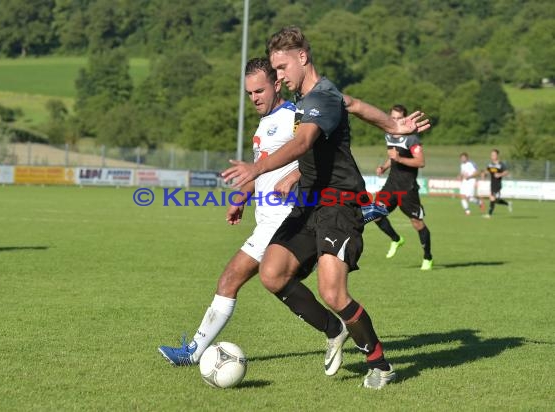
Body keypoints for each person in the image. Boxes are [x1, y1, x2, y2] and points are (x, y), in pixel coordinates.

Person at [222, 27, 430, 389]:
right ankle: (334, 329)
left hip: (338, 203)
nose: (279, 76)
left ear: (303, 57)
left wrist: (256, 168)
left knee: (333, 292)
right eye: (276, 69)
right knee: (272, 274)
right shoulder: (315, 96)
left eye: (283, 67)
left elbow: (303, 141)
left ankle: (380, 364)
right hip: (309, 202)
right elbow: (356, 105)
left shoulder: (321, 97)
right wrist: (393, 124)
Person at [158, 57, 387, 376]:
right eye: (249, 93)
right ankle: (334, 328)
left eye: (260, 90)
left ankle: (194, 351)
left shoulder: (294, 115)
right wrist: (243, 194)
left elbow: (309, 153)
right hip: (268, 218)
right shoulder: (264, 124)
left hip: (288, 217)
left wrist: (293, 177)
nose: (254, 98)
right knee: (267, 278)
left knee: (232, 278)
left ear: (277, 84)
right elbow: (263, 169)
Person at [373, 104, 433, 270]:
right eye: (393, 118)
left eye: (399, 118)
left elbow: (421, 162)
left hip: (407, 187)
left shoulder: (412, 139)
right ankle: (396, 239)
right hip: (391, 185)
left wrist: (399, 159)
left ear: (405, 119)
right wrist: (385, 167)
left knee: (417, 223)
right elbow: (393, 157)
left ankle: (428, 257)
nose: (395, 121)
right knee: (374, 214)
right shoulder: (389, 135)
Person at [482, 149, 512, 218]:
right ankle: (507, 203)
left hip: (498, 184)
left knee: (492, 198)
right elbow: (487, 171)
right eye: (491, 155)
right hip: (492, 184)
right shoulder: (490, 164)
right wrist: (484, 175)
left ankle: (489, 214)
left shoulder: (501, 164)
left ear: (497, 156)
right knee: (495, 200)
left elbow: (506, 172)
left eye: (494, 155)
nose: (492, 156)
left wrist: (500, 174)